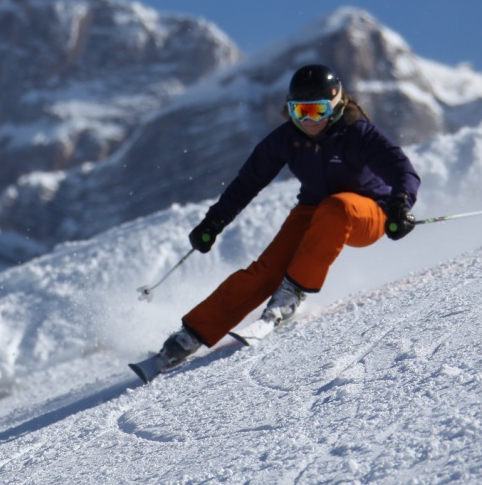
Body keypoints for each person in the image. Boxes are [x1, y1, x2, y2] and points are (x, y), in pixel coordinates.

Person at [141, 63, 421, 376]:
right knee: (265, 270)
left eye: (317, 111)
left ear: (337, 104)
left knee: (336, 208)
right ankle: (189, 336)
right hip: (314, 209)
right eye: (299, 111)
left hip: (368, 212)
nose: (308, 120)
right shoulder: (287, 138)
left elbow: (403, 171)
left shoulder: (358, 133)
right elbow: (247, 182)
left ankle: (289, 297)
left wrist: (401, 204)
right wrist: (213, 222)